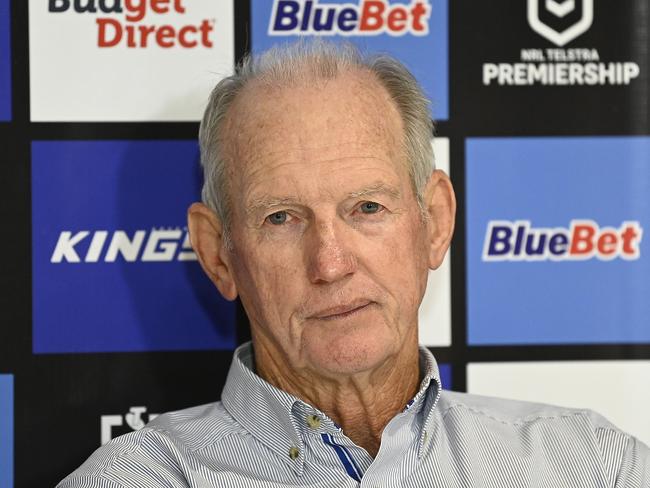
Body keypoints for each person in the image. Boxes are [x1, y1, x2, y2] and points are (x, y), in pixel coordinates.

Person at [58, 41, 649, 487]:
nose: (331, 262)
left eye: (367, 207)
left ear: (434, 222)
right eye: (281, 218)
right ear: (219, 254)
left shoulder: (590, 464)